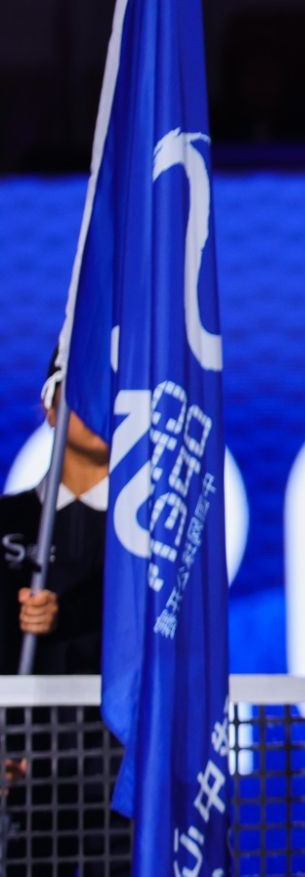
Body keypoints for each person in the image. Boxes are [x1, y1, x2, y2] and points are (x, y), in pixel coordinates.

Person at [0, 357, 128, 874]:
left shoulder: (148, 535)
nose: (98, 409)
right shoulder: (7, 521)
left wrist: (68, 615)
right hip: (23, 772)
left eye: (112, 396)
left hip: (121, 773)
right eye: (83, 392)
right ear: (50, 408)